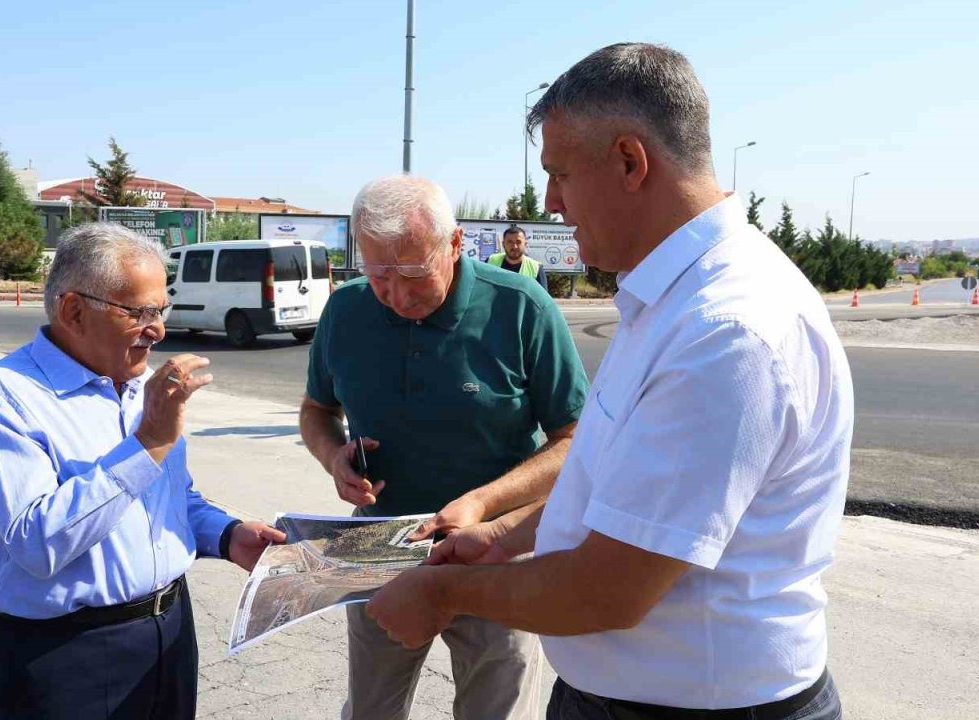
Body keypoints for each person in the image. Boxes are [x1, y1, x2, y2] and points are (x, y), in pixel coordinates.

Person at [367, 43, 852, 720]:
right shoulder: (673, 299)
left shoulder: (728, 330)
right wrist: (506, 536)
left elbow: (608, 590)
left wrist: (442, 595)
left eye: (560, 174)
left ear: (630, 161)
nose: (550, 203)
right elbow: (618, 486)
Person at [0, 222, 285, 720]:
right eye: (140, 313)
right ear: (74, 311)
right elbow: (37, 542)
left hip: (166, 633)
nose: (159, 329)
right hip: (64, 653)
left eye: (161, 309)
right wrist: (146, 443)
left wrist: (228, 534)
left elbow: (172, 497)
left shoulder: (137, 386)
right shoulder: (0, 400)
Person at [299, 175, 589, 720]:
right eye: (379, 275)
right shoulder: (347, 310)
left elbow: (574, 441)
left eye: (413, 274)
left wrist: (484, 504)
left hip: (495, 554)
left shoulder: (522, 308)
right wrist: (333, 455)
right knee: (371, 710)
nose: (397, 296)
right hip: (378, 549)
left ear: (455, 244)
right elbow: (317, 411)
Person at [488, 226, 549, 292]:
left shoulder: (536, 268)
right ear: (503, 244)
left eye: (518, 242)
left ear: (525, 244)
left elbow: (542, 299)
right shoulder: (490, 261)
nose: (515, 246)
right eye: (510, 242)